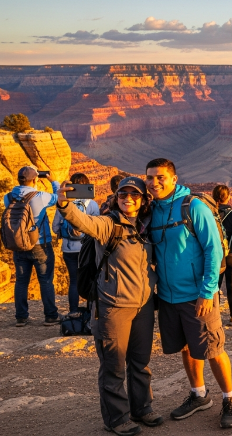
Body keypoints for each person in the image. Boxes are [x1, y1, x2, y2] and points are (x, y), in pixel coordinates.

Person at [56, 177, 162, 436]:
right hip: (113, 307)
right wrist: (64, 205)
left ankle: (142, 408)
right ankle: (116, 418)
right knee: (113, 365)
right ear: (116, 197)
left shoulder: (148, 227)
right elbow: (83, 221)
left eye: (134, 194)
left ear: (143, 199)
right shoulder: (108, 224)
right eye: (123, 193)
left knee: (140, 362)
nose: (128, 198)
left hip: (144, 306)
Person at [145, 158, 232, 428]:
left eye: (160, 177)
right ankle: (199, 395)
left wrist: (207, 291)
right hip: (167, 296)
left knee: (212, 348)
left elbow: (213, 250)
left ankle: (229, 398)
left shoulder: (193, 206)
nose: (154, 183)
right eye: (150, 178)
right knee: (187, 347)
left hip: (198, 294)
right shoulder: (153, 210)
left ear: (174, 179)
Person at [5, 166, 60, 327]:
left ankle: (21, 317)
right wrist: (53, 180)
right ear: (35, 179)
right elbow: (58, 196)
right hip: (40, 245)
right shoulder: (40, 196)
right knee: (46, 281)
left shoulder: (8, 197)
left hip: (19, 245)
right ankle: (51, 316)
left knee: (21, 281)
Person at [52, 172, 100, 317]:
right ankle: (91, 311)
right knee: (91, 279)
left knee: (74, 280)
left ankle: (73, 311)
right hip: (87, 249)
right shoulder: (91, 204)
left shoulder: (64, 203)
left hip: (68, 249)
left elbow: (55, 227)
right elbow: (97, 227)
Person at [212, 185, 232, 325]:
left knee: (215, 287)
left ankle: (215, 318)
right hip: (231, 255)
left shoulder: (208, 212)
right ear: (228, 197)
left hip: (214, 256)